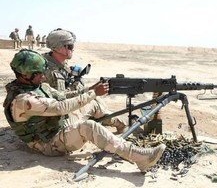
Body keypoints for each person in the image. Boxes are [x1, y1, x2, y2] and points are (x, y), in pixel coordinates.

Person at [3, 49, 166, 173]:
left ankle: (122, 128)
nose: (44, 77)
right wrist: (94, 93)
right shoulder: (23, 100)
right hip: (48, 144)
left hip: (56, 127)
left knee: (93, 103)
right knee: (88, 127)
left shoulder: (37, 86)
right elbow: (61, 107)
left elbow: (63, 96)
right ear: (25, 75)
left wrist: (90, 90)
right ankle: (140, 157)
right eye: (39, 74)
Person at [42, 28, 129, 134]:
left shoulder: (57, 62)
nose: (72, 49)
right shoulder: (48, 70)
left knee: (95, 99)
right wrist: (88, 91)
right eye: (70, 46)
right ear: (60, 48)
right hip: (55, 116)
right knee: (93, 103)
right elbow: (60, 99)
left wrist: (85, 88)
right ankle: (121, 123)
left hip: (60, 107)